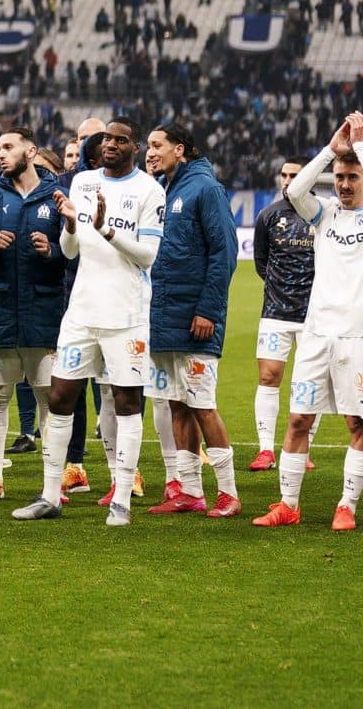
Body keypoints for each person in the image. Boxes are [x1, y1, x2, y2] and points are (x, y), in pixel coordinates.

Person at [256, 113, 363, 532]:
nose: (345, 184)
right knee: (299, 419)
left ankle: (347, 505)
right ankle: (288, 504)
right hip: (317, 333)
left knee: (357, 422)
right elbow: (295, 188)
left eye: (353, 177)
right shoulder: (324, 215)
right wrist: (330, 151)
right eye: (340, 177)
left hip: (358, 335)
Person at [36, 119, 164, 524]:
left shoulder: (149, 191)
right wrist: (72, 224)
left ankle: (122, 498)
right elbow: (69, 251)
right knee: (59, 399)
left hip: (126, 316)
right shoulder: (83, 182)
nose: (110, 144)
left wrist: (107, 228)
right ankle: (50, 494)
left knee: (126, 404)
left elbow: (147, 256)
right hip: (82, 312)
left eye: (119, 140)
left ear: (135, 147)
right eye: (106, 138)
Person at [144, 125, 239, 517]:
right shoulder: (161, 191)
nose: (148, 153)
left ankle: (229, 493)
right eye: (146, 146)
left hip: (194, 318)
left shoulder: (205, 189)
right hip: (162, 319)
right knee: (176, 404)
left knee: (202, 404)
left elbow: (225, 252)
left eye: (156, 146)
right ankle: (189, 490)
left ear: (179, 149)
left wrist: (208, 310)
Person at [0, 130, 72, 518]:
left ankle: (50, 485)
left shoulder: (56, 198)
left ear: (31, 152)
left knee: (48, 398)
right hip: (0, 311)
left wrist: (52, 251)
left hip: (44, 314)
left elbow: (75, 255)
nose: (1, 154)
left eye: (8, 147)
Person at [247, 158, 312, 473]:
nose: (288, 181)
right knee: (268, 377)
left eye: (295, 176)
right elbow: (261, 262)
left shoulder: (320, 213)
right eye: (284, 175)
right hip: (275, 310)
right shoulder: (268, 215)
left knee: (309, 381)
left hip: (315, 314)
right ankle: (265, 450)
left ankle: (304, 447)